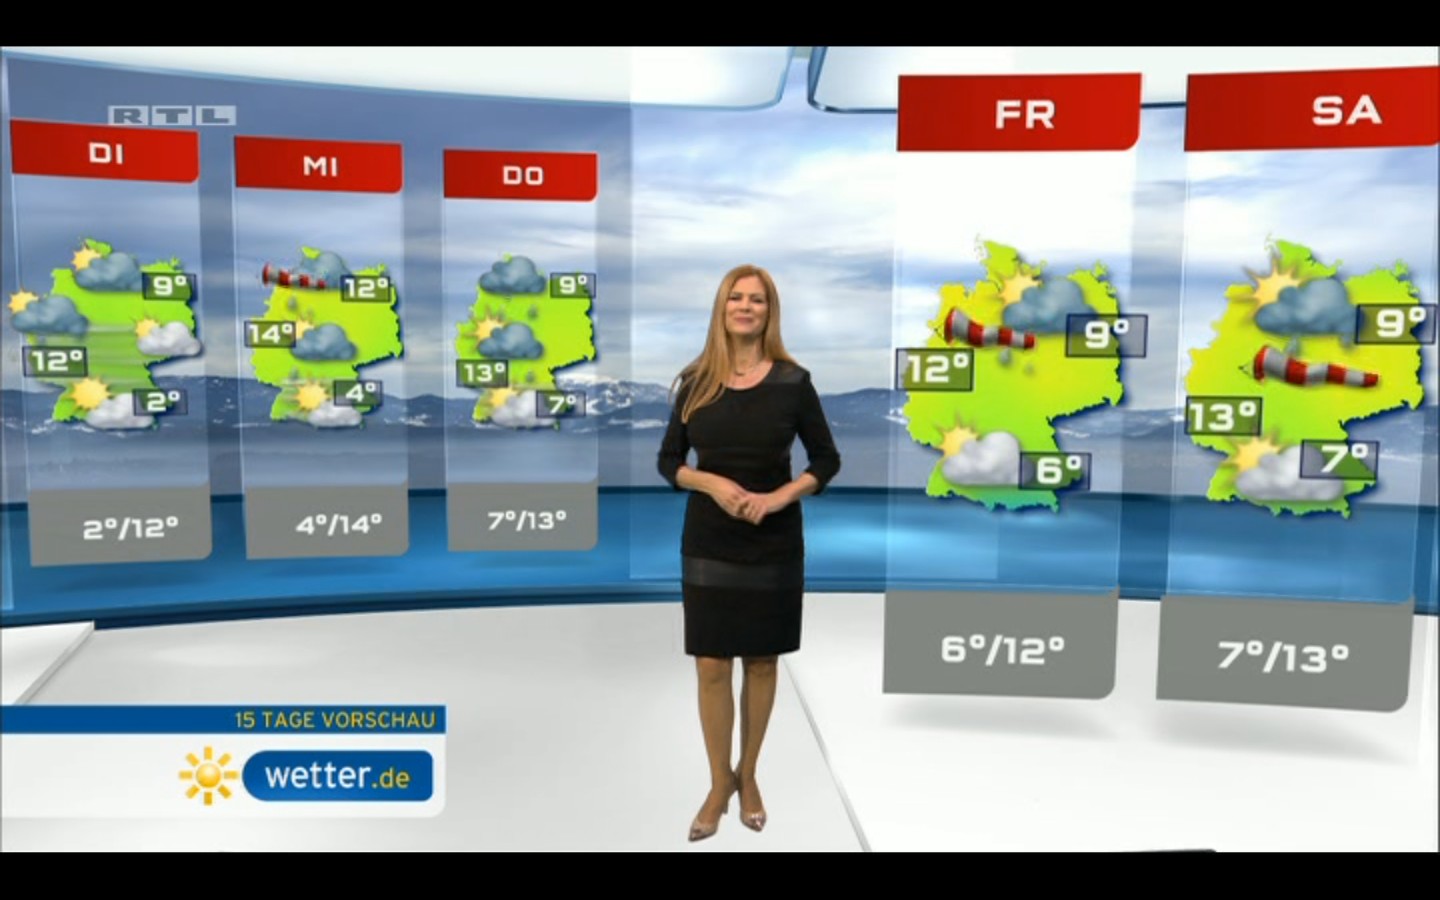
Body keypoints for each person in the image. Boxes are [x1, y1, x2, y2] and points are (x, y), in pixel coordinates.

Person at [656, 264, 841, 842]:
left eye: (756, 299)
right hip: (709, 541)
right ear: (722, 307)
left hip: (773, 542)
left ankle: (750, 774)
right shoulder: (695, 383)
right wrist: (708, 482)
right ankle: (719, 783)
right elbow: (669, 462)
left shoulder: (793, 382)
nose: (745, 306)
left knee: (762, 661)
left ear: (769, 311)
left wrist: (779, 497)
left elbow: (826, 459)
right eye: (735, 297)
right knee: (712, 663)